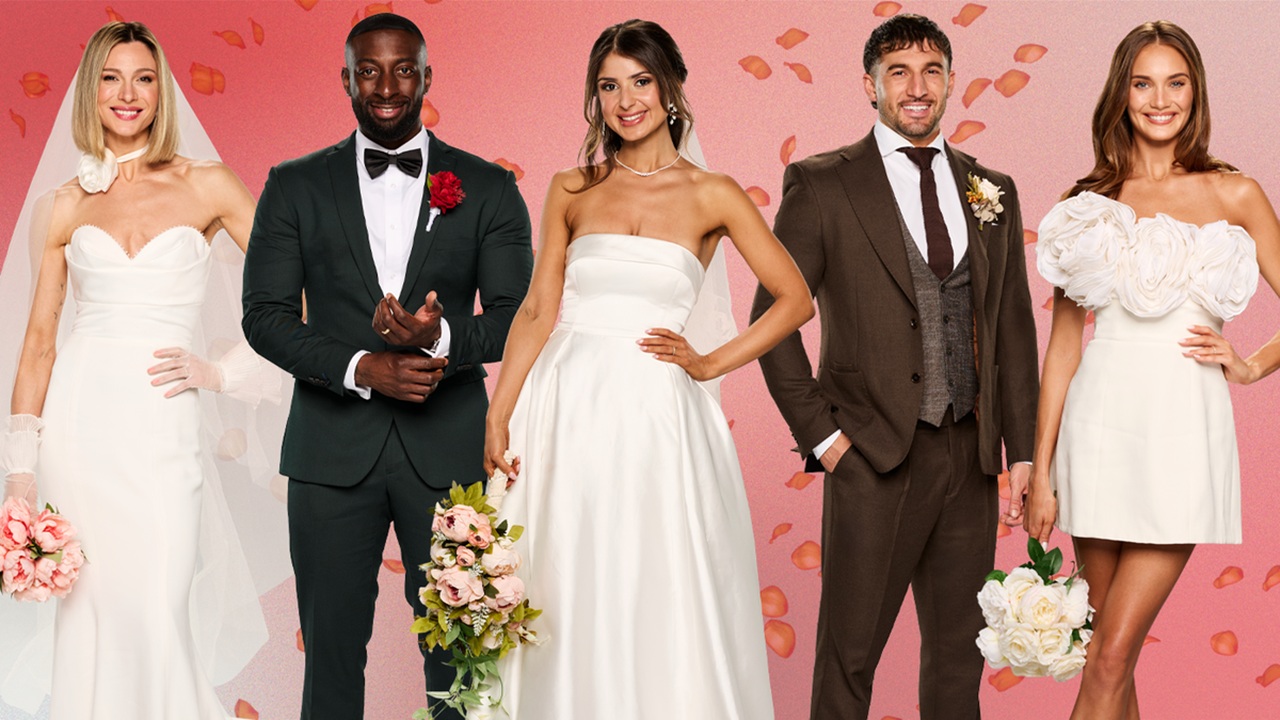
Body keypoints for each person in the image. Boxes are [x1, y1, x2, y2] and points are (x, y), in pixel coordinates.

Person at [484, 18, 812, 720]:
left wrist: (708, 361)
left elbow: (795, 299)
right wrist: (499, 412)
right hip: (565, 405)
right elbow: (539, 309)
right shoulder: (572, 188)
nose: (625, 99)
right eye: (608, 86)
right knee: (564, 575)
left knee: (653, 575)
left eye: (640, 81)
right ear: (595, 98)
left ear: (670, 89)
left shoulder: (713, 193)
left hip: (657, 416)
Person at [241, 12, 533, 720]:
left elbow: (520, 317)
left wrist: (439, 339)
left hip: (451, 454)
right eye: (368, 70)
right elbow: (265, 316)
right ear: (345, 78)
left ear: (427, 77)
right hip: (329, 453)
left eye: (404, 69)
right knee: (332, 654)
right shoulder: (293, 184)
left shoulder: (488, 186)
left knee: (462, 659)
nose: (386, 86)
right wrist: (360, 366)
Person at [750, 14, 1039, 720]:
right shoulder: (822, 184)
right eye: (899, 72)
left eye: (932, 70)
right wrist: (825, 439)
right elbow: (773, 320)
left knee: (958, 661)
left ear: (949, 82)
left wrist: (1023, 452)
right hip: (871, 457)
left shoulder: (990, 187)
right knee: (849, 658)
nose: (918, 87)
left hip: (969, 457)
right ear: (870, 85)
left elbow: (1012, 326)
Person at [1, 20, 282, 720]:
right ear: (91, 91)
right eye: (111, 77)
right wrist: (21, 474)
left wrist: (222, 373)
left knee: (157, 606)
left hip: (164, 426)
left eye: (144, 78)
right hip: (79, 428)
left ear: (162, 92)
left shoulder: (211, 185)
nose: (128, 94)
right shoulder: (64, 203)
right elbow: (39, 345)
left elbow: (292, 296)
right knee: (89, 617)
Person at [1024, 20, 1280, 720]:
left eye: (1176, 83)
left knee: (1108, 657)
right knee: (1110, 655)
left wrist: (1252, 364)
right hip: (1097, 432)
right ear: (1122, 93)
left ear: (1196, 95)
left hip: (1181, 434)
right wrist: (1042, 475)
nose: (1159, 99)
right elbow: (1064, 351)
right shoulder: (1087, 205)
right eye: (1143, 83)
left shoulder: (1237, 195)